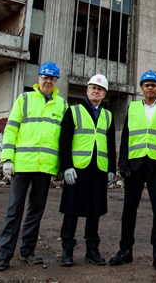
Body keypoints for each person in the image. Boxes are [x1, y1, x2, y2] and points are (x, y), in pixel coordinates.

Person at [0, 62, 67, 272]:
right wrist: (7, 158)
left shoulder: (62, 105)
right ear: (38, 78)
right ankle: (4, 256)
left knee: (36, 211)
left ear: (56, 81)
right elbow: (11, 129)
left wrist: (62, 165)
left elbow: (64, 138)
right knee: (14, 210)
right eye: (45, 77)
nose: (48, 81)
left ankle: (27, 251)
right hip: (22, 166)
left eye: (52, 78)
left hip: (45, 168)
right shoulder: (24, 99)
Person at [109, 70, 156, 271]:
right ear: (141, 88)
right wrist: (122, 164)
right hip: (134, 166)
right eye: (146, 85)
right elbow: (126, 137)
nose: (150, 87)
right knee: (129, 211)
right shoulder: (133, 108)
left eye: (153, 84)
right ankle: (125, 250)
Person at [58, 73, 117, 267]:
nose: (96, 91)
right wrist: (66, 166)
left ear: (104, 94)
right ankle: (67, 251)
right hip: (78, 168)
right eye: (93, 87)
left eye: (99, 89)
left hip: (98, 169)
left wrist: (111, 169)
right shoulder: (74, 111)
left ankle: (92, 251)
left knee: (94, 211)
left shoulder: (108, 115)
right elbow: (64, 141)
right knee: (72, 211)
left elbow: (110, 144)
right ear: (87, 90)